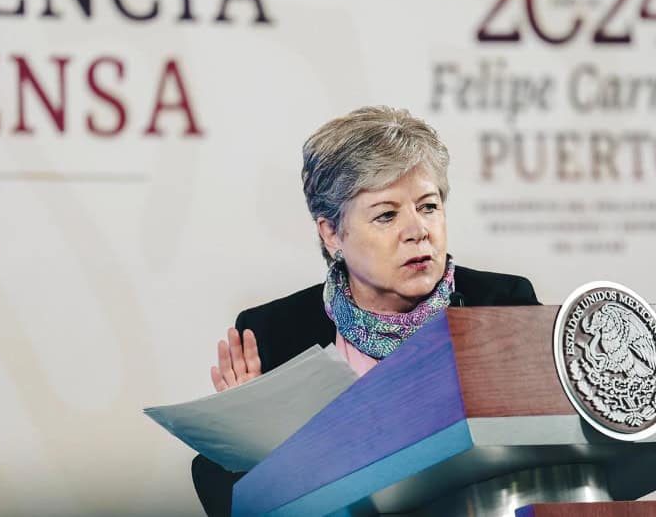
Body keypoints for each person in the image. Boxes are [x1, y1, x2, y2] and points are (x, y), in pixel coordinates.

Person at [192, 106, 540, 516]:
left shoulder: (502, 303)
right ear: (332, 233)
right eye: (387, 215)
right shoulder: (274, 332)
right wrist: (248, 441)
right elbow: (227, 490)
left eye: (428, 206)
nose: (417, 231)